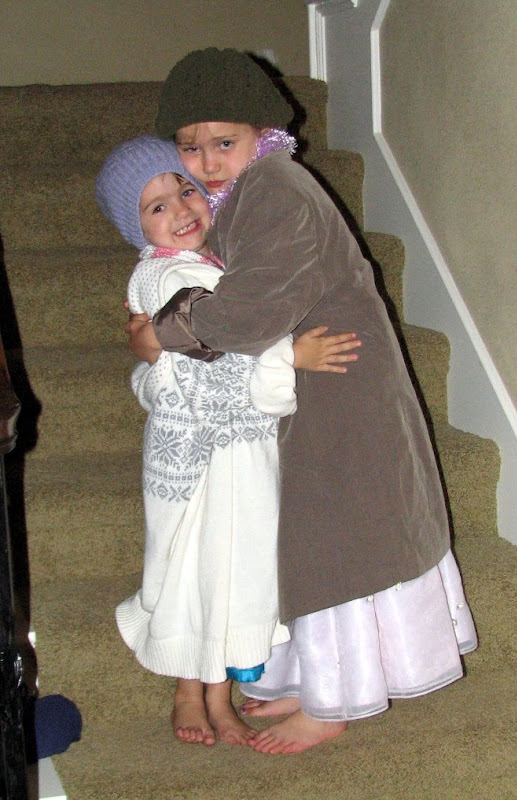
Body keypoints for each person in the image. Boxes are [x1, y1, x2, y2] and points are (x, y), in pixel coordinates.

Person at [127, 48, 478, 755]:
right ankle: (309, 674)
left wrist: (159, 333)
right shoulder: (242, 193)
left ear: (261, 132)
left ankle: (334, 700)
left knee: (335, 535)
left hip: (338, 380)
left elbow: (252, 309)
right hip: (301, 377)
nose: (207, 162)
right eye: (190, 147)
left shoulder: (276, 187)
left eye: (223, 142)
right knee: (301, 533)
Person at [95, 134, 359, 747]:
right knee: (195, 567)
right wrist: (291, 356)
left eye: (185, 189)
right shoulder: (167, 276)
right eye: (156, 206)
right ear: (136, 228)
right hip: (204, 457)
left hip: (229, 450)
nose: (180, 208)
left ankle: (217, 696)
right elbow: (215, 352)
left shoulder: (208, 263)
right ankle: (190, 692)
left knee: (224, 569)